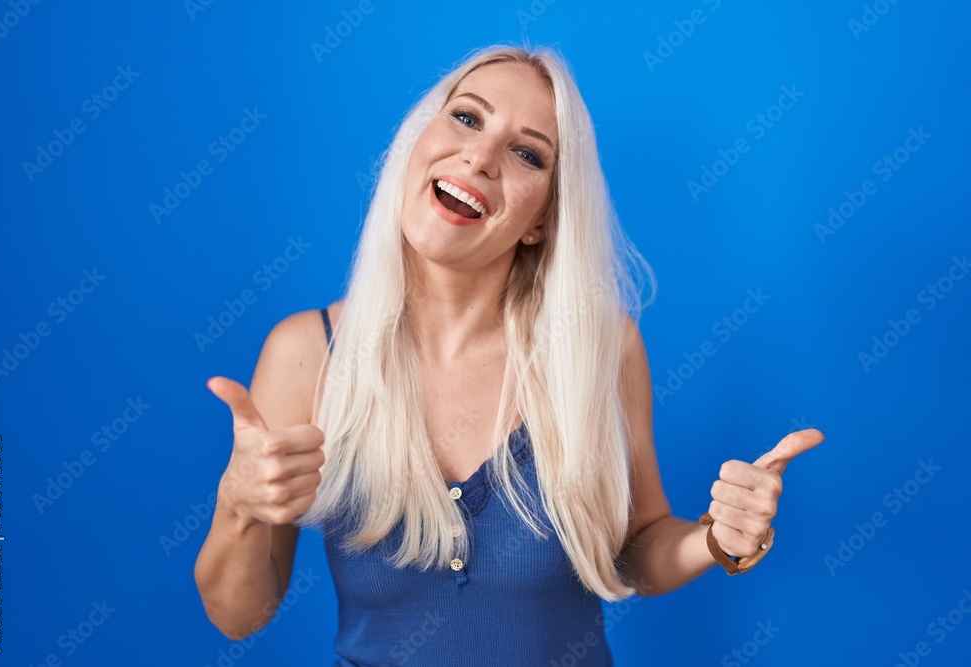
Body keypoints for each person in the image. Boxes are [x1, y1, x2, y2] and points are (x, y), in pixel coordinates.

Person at [194, 43, 823, 665]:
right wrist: (238, 504)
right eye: (467, 117)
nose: (481, 155)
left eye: (527, 153)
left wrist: (720, 540)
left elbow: (636, 549)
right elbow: (239, 615)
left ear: (541, 221)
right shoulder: (307, 353)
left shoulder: (600, 348)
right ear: (418, 143)